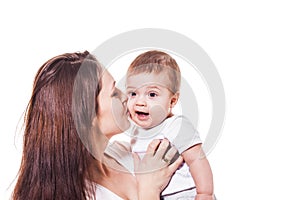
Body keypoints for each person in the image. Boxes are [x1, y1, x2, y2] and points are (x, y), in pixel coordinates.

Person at [12, 51, 183, 200]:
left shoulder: (128, 153)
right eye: (114, 92)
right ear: (88, 115)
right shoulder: (79, 193)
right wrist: (148, 190)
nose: (125, 97)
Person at [122, 50, 214, 199]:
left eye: (152, 94)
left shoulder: (176, 126)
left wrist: (205, 193)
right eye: (133, 93)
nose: (139, 102)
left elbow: (197, 160)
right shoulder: (136, 132)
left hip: (186, 195)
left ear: (172, 101)